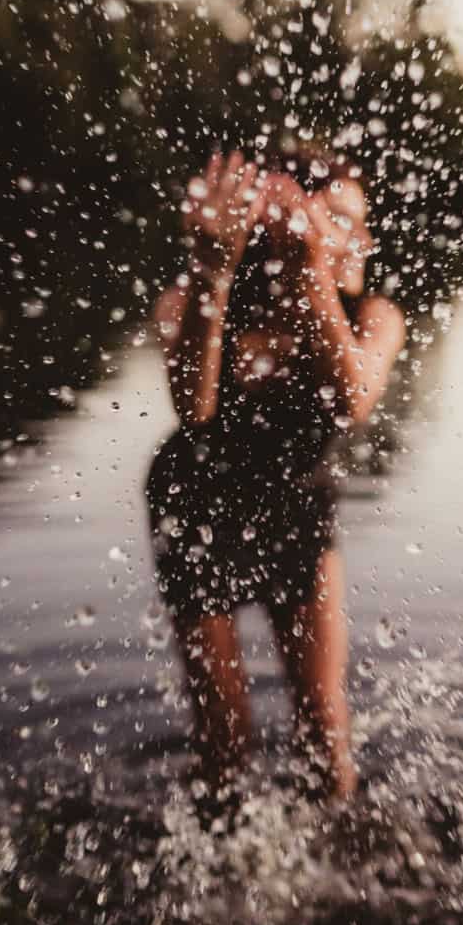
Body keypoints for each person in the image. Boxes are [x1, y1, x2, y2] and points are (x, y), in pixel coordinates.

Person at [147, 148, 406, 802]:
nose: (364, 240)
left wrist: (309, 271)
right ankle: (215, 863)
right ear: (292, 220)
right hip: (196, 507)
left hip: (297, 502)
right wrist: (212, 268)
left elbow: (352, 398)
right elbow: (193, 409)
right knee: (226, 734)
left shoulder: (375, 316)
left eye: (360, 223)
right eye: (345, 220)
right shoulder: (193, 298)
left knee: (323, 720)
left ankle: (340, 859)